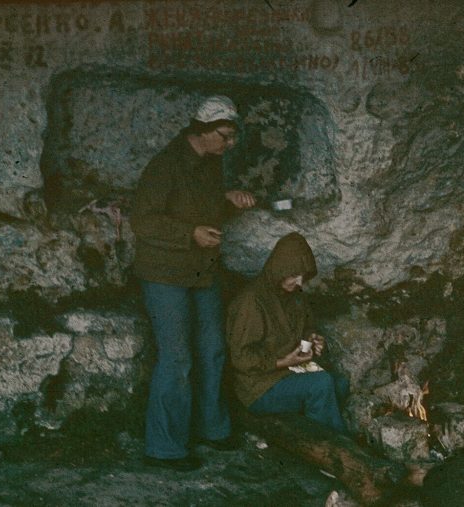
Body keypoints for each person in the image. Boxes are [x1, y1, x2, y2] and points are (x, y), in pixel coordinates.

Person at [131, 95, 256, 471]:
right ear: (202, 131)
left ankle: (211, 429)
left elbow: (202, 206)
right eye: (225, 136)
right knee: (177, 357)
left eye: (233, 137)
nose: (230, 144)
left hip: (202, 270)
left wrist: (228, 199)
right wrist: (190, 234)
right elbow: (143, 221)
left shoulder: (211, 163)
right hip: (165, 273)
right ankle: (164, 448)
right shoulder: (165, 165)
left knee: (213, 349)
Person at [226, 232, 348, 433]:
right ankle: (333, 451)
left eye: (303, 277)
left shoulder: (293, 294)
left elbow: (307, 326)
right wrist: (283, 362)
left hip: (288, 373)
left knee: (340, 384)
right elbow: (240, 358)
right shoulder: (252, 302)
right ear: (278, 271)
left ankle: (307, 434)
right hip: (259, 387)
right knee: (321, 385)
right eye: (293, 275)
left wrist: (312, 338)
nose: (299, 283)